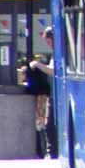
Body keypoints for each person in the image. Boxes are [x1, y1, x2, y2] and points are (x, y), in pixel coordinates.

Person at [28, 25, 56, 158]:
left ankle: (52, 152)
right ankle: (51, 152)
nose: (47, 43)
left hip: (56, 95)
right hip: (53, 94)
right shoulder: (55, 53)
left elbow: (52, 71)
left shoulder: (59, 52)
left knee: (50, 124)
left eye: (48, 40)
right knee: (49, 124)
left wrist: (37, 65)